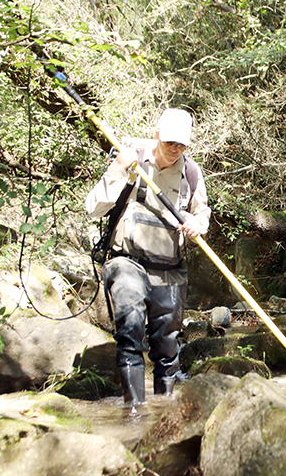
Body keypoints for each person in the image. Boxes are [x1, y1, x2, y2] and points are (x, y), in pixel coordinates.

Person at [86, 108, 211, 406]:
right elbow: (93, 208)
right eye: (170, 142)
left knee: (167, 347)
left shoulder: (191, 174)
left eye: (181, 145)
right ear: (157, 134)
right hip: (126, 261)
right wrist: (118, 170)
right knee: (130, 331)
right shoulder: (131, 160)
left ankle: (164, 413)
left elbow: (202, 213)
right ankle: (134, 413)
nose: (175, 149)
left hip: (169, 269)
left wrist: (198, 224)